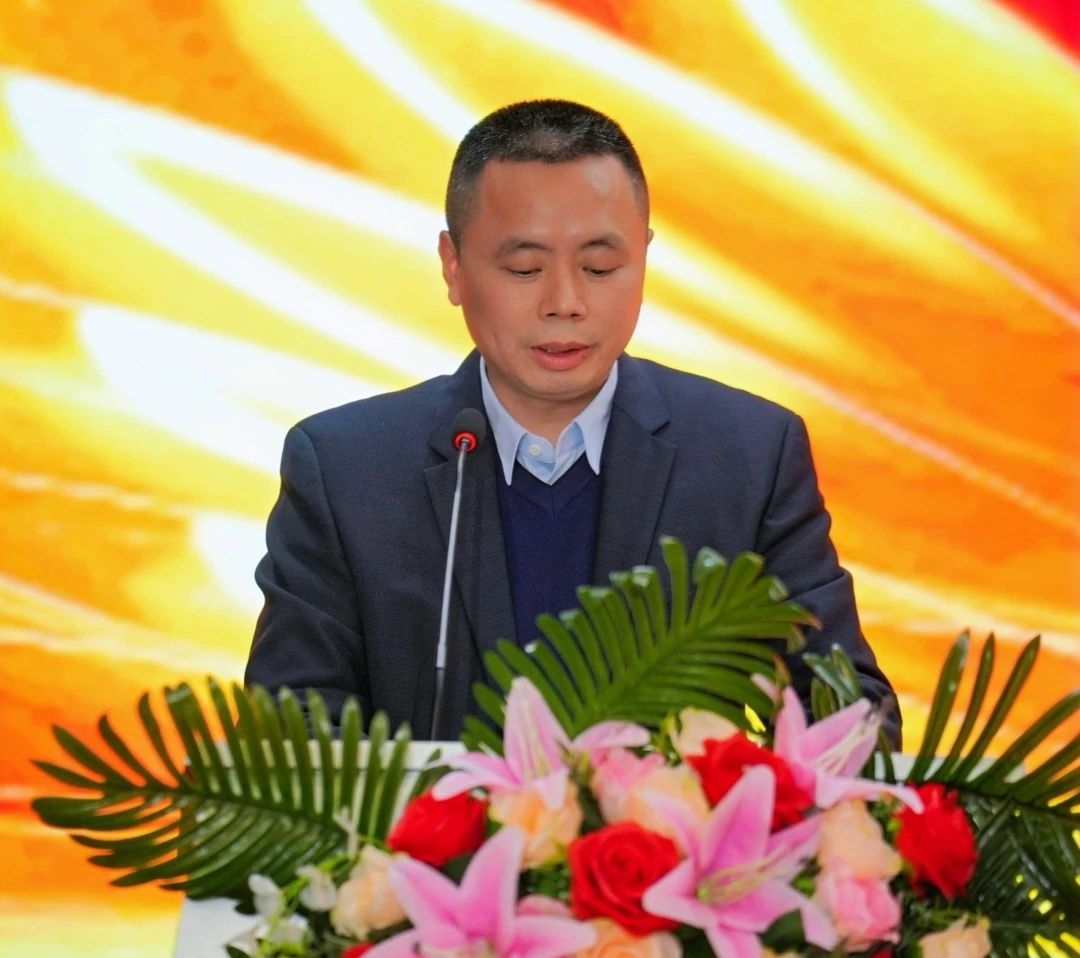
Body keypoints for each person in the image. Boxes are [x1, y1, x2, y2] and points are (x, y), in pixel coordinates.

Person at [245, 99, 898, 742]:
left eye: (599, 267)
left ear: (643, 257)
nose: (565, 302)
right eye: (525, 268)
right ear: (453, 266)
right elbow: (290, 733)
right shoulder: (345, 469)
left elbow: (849, 719)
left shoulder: (748, 457)